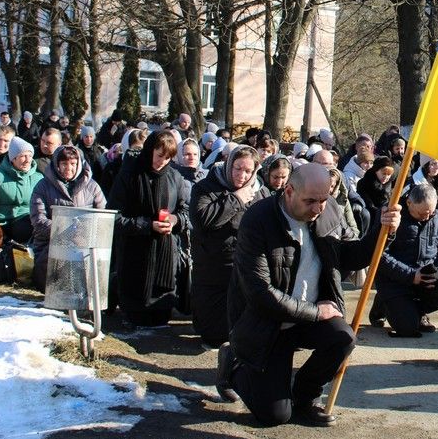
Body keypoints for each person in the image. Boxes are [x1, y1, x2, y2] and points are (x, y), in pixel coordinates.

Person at [223, 164, 399, 426]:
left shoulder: (329, 212)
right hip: (267, 324)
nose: (318, 208)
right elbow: (261, 294)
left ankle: (305, 399)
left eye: (324, 200)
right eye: (311, 201)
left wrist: (385, 231)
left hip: (311, 314)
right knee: (274, 416)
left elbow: (350, 255)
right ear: (289, 191)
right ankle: (231, 365)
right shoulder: (258, 220)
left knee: (342, 338)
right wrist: (317, 312)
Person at [108, 130, 191, 327]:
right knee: (136, 318)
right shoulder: (129, 174)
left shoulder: (175, 178)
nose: (163, 161)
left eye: (168, 157)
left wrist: (175, 220)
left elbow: (185, 211)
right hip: (135, 256)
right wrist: (147, 225)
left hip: (164, 257)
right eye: (159, 155)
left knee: (160, 320)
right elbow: (114, 216)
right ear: (149, 151)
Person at [190, 145, 267, 350]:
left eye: (248, 171)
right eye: (237, 168)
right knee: (213, 328)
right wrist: (236, 198)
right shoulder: (206, 187)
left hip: (244, 263)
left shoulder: (259, 192)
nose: (242, 175)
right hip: (212, 265)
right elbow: (203, 220)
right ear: (229, 165)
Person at [373, 183, 438, 337]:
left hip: (426, 277)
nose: (426, 217)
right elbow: (380, 255)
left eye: (430, 213)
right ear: (409, 203)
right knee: (408, 329)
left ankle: (417, 310)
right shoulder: (390, 213)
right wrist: (411, 275)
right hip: (395, 280)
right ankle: (383, 303)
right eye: (420, 214)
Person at [29, 144, 107, 291]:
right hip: (51, 243)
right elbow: (39, 221)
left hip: (85, 243)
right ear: (57, 164)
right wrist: (67, 230)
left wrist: (84, 232)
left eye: (73, 164)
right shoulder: (42, 187)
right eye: (64, 163)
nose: (68, 168)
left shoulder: (93, 187)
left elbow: (102, 217)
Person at [0, 135, 43, 249]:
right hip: (1, 223)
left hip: (25, 221)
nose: (28, 160)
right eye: (23, 156)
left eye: (30, 156)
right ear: (13, 159)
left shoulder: (38, 178)